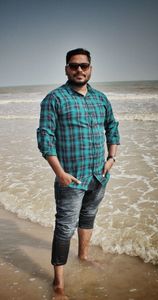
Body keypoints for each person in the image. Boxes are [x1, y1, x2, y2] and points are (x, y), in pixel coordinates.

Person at [37, 48, 120, 296]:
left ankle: (83, 256)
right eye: (74, 66)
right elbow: (45, 139)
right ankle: (58, 283)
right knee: (64, 227)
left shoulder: (101, 98)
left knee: (88, 217)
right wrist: (60, 173)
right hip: (70, 179)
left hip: (99, 175)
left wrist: (111, 158)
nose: (79, 70)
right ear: (66, 69)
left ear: (91, 68)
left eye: (84, 65)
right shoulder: (55, 99)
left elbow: (112, 127)